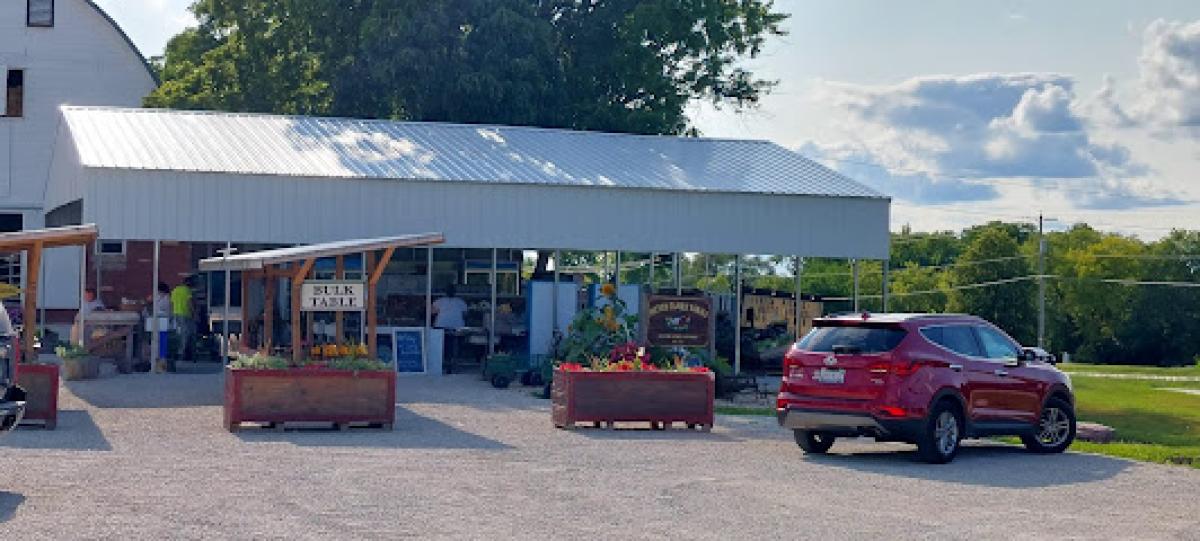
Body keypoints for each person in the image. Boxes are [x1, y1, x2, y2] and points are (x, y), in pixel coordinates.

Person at [431, 285, 468, 372]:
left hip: (441, 325)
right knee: (455, 345)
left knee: (442, 346)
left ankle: (441, 363)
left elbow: (432, 312)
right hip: (457, 326)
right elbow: (465, 314)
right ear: (455, 292)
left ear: (445, 292)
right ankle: (453, 363)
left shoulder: (439, 301)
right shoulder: (461, 302)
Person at [169, 277, 194, 371]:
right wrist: (194, 313)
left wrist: (171, 315)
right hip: (185, 314)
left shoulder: (175, 290)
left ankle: (178, 351)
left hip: (176, 314)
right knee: (186, 334)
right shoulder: (187, 291)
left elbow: (171, 303)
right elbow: (189, 303)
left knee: (178, 333)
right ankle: (182, 353)